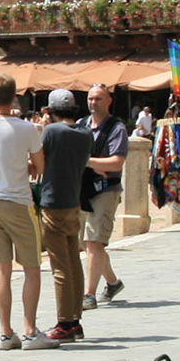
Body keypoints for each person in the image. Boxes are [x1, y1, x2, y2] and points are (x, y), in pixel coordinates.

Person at [0, 75, 55, 351]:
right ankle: (30, 330)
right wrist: (25, 167)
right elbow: (39, 167)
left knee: (2, 269)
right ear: (14, 96)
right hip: (18, 201)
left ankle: (6, 333)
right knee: (32, 267)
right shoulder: (27, 128)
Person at [37, 90, 92, 343]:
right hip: (73, 202)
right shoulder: (85, 133)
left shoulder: (52, 132)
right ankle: (76, 320)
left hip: (53, 202)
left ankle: (64, 323)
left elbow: (40, 161)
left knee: (59, 267)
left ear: (50, 111)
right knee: (74, 264)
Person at [79, 83, 128, 309]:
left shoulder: (116, 128)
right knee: (90, 244)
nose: (93, 103)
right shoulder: (81, 125)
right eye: (90, 98)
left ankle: (88, 294)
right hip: (84, 190)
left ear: (109, 101)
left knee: (93, 240)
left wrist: (86, 161)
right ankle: (113, 282)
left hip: (106, 189)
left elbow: (116, 162)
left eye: (98, 98)